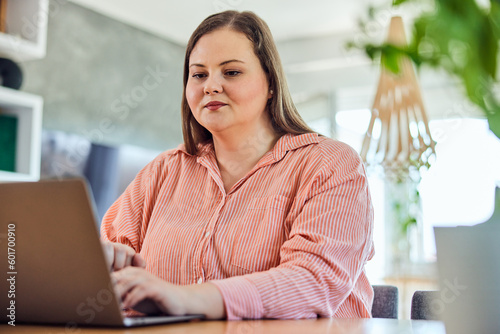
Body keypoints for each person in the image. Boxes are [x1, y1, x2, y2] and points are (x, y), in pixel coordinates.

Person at [101, 10, 374, 320]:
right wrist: (105, 263)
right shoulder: (161, 172)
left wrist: (186, 297)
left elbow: (313, 282)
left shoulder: (330, 164)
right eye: (199, 74)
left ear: (271, 82)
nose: (210, 86)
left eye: (231, 72)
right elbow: (100, 272)